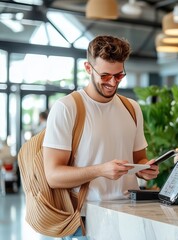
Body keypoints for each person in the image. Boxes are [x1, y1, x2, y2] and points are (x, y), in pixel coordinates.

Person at [42, 36, 159, 237]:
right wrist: (100, 170)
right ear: (88, 68)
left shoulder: (132, 108)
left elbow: (139, 158)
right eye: (105, 76)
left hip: (129, 216)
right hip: (84, 220)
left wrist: (144, 169)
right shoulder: (67, 108)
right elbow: (53, 176)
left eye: (119, 76)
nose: (112, 83)